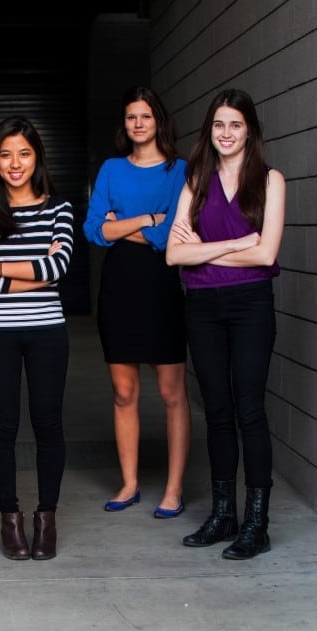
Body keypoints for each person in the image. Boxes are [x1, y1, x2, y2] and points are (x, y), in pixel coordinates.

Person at [165, 88, 286, 560]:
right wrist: (233, 245)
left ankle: (257, 523)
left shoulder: (271, 181)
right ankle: (223, 514)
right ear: (209, 131)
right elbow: (175, 254)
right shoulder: (196, 179)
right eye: (219, 124)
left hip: (252, 306)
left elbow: (267, 254)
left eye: (235, 124)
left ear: (249, 129)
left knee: (248, 410)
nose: (226, 133)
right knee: (215, 409)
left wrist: (203, 249)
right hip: (202, 307)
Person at [0, 116, 73, 561]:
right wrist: (35, 272)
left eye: (24, 154)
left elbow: (60, 268)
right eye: (6, 154)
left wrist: (1, 268)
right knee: (3, 426)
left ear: (36, 158)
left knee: (48, 424)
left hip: (48, 330)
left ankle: (46, 517)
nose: (15, 163)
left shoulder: (58, 208)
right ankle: (11, 519)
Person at [83, 86, 191, 519]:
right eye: (131, 117)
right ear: (124, 125)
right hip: (119, 285)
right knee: (124, 392)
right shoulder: (111, 169)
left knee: (171, 392)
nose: (139, 124)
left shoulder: (179, 171)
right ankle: (129, 484)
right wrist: (148, 219)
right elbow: (92, 231)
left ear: (158, 121)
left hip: (162, 284)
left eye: (146, 116)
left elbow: (172, 237)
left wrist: (120, 225)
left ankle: (174, 488)